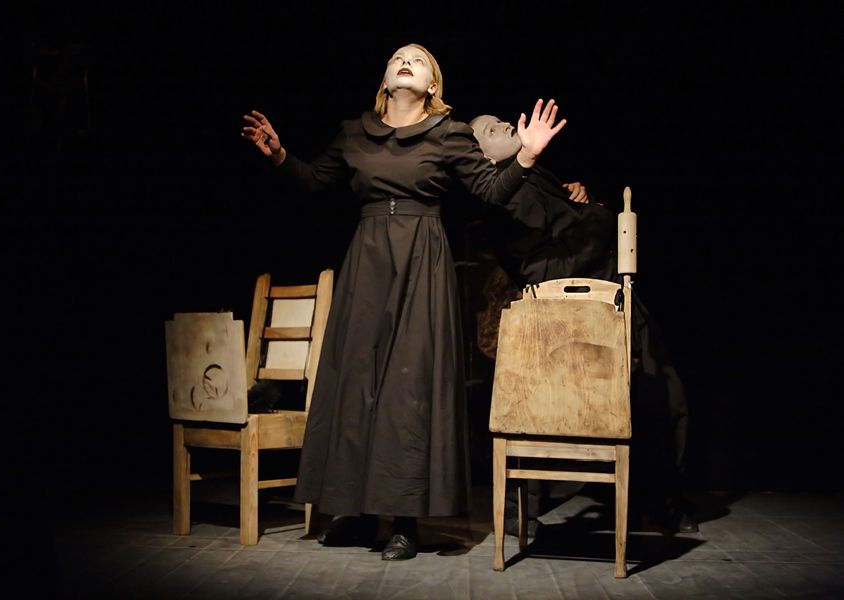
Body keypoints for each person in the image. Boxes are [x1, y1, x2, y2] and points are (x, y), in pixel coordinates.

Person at [241, 43, 567, 560]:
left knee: (409, 388)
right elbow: (317, 180)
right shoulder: (355, 132)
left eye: (417, 59)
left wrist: (525, 155)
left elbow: (489, 189)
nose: (406, 61)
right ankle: (357, 512)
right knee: (357, 381)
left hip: (422, 260)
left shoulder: (449, 134)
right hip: (367, 261)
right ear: (385, 79)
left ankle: (405, 521)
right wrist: (280, 156)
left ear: (432, 85)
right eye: (397, 58)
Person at [470, 114, 698, 535]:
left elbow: (563, 230)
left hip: (609, 298)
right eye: (489, 129)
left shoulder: (537, 177)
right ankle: (525, 509)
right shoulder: (502, 198)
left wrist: (579, 201)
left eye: (500, 119)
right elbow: (540, 267)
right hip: (568, 314)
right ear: (482, 157)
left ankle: (660, 503)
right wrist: (596, 215)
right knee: (553, 410)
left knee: (661, 394)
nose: (501, 124)